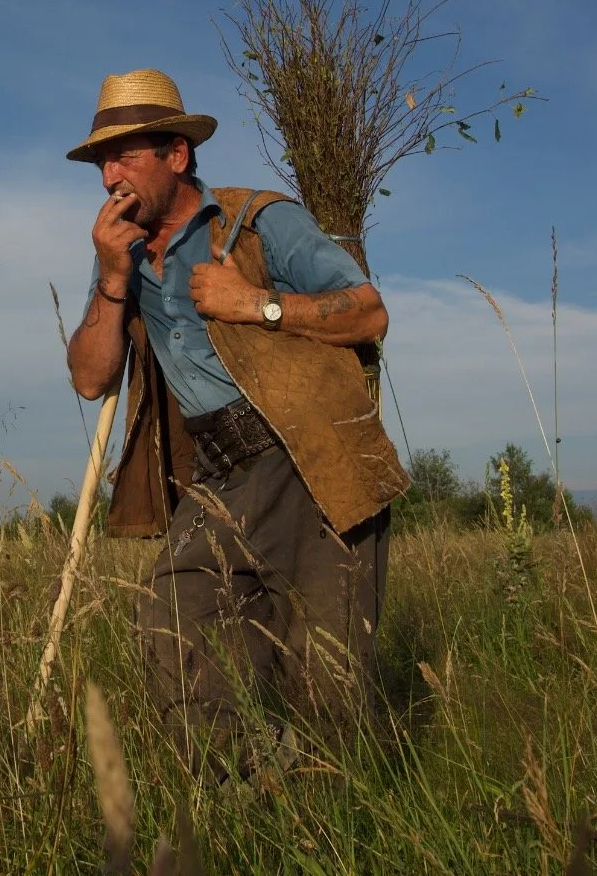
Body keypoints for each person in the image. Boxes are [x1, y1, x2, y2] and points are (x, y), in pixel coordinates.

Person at [64, 67, 410, 772]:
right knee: (171, 615)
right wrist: (109, 279)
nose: (109, 178)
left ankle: (323, 811)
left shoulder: (257, 220)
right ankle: (256, 783)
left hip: (313, 455)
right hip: (223, 469)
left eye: (125, 155)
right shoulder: (120, 258)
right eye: (102, 161)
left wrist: (256, 304)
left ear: (177, 155)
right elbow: (91, 375)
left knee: (328, 684)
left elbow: (369, 310)